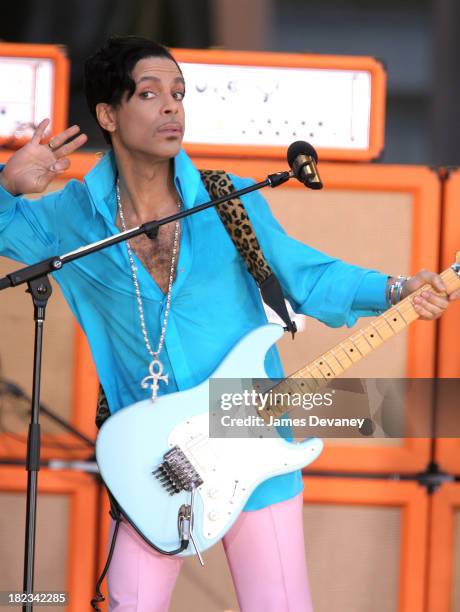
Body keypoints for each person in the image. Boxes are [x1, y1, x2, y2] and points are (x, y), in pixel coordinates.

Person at [0, 36, 458, 612]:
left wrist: (397, 287)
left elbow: (308, 277)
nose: (172, 107)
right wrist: (9, 184)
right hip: (151, 456)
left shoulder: (231, 200)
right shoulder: (74, 218)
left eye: (179, 93)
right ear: (108, 115)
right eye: (149, 93)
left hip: (251, 429)